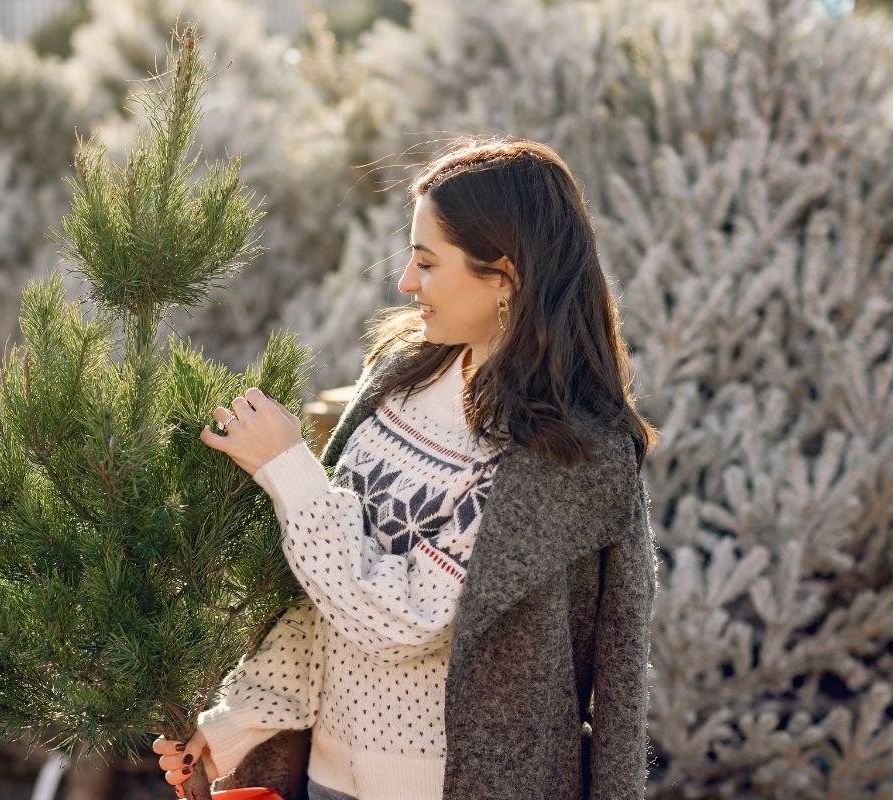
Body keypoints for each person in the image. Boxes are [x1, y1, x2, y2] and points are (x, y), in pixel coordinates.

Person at [152, 136, 660, 800]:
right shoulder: (404, 378)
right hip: (326, 780)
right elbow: (323, 598)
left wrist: (289, 471)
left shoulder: (564, 457)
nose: (405, 283)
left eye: (426, 262)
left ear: (504, 276)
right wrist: (236, 725)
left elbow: (399, 618)